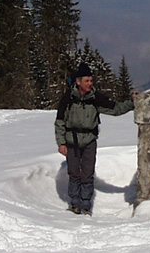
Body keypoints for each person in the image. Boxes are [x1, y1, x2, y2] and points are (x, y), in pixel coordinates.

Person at [55, 63, 137, 216]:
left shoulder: (95, 98)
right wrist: (61, 143)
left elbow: (115, 109)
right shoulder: (68, 98)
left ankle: (85, 206)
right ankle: (74, 205)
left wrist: (132, 103)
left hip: (89, 141)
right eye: (87, 81)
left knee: (87, 173)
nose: (90, 84)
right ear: (78, 81)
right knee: (74, 173)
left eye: (91, 81)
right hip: (72, 141)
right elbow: (60, 121)